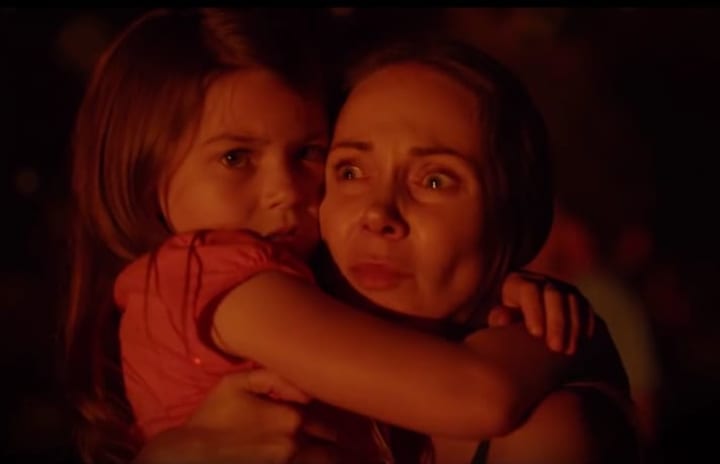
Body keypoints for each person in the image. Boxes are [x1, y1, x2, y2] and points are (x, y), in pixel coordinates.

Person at [63, 8, 630, 464]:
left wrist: (508, 306)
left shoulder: (316, 298)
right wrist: (557, 337)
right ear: (147, 178)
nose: (286, 190)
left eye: (309, 154)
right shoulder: (206, 268)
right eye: (235, 158)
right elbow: (479, 394)